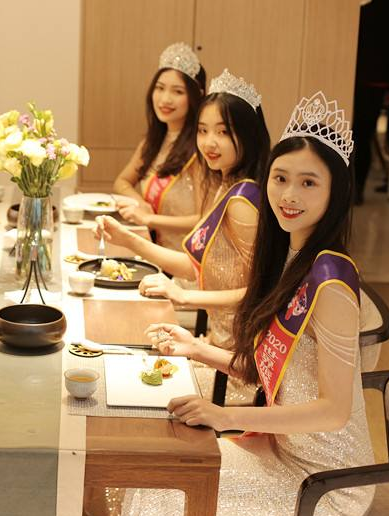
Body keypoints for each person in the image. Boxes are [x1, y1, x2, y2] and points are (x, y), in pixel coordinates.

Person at [121, 91, 374, 516]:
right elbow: (274, 373)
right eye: (281, 178)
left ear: (336, 192)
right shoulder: (286, 260)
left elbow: (333, 411)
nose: (289, 195)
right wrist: (196, 348)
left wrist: (226, 416)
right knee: (156, 474)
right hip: (279, 449)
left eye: (308, 183)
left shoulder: (330, 281)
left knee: (167, 493)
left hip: (323, 480)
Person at [96, 70, 269, 356]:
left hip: (238, 353)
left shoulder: (244, 199)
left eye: (223, 132)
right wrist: (128, 239)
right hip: (217, 340)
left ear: (249, 135)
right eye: (203, 130)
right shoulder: (224, 184)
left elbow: (259, 292)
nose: (209, 142)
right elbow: (195, 266)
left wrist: (185, 296)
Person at [112, 42, 206, 250]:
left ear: (195, 96)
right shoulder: (153, 141)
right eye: (160, 88)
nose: (165, 99)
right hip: (152, 249)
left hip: (182, 258)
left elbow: (203, 219)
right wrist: (140, 203)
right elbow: (122, 182)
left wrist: (149, 219)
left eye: (178, 91)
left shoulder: (200, 150)